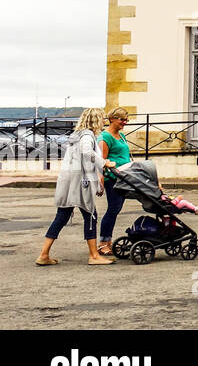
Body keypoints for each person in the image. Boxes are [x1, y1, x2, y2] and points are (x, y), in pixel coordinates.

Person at [37, 108, 114, 266]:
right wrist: (104, 162)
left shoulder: (76, 136)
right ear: (96, 120)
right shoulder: (87, 135)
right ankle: (93, 256)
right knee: (90, 216)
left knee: (62, 217)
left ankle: (44, 255)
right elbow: (87, 153)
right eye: (102, 118)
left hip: (69, 180)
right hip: (81, 181)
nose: (104, 121)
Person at [97, 107, 133, 256]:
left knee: (115, 209)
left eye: (126, 120)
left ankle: (108, 242)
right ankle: (103, 243)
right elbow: (101, 161)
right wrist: (101, 182)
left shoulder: (122, 136)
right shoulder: (105, 137)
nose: (124, 122)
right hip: (113, 178)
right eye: (121, 120)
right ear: (112, 119)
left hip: (125, 176)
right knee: (112, 209)